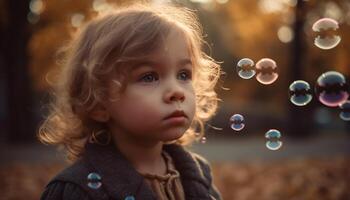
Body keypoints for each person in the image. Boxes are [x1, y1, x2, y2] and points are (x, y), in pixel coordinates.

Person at [39, 2, 222, 200]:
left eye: (184, 75)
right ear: (98, 102)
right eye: (149, 77)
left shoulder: (198, 175)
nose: (177, 91)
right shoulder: (77, 190)